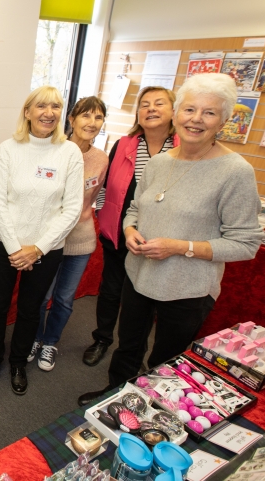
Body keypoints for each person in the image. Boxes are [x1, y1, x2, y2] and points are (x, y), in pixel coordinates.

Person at [78, 73, 263, 406]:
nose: (196, 119)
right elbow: (135, 208)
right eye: (189, 109)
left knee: (166, 357)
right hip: (139, 275)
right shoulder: (160, 162)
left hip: (188, 287)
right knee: (128, 345)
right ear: (177, 114)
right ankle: (115, 399)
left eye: (208, 113)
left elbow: (246, 243)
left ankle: (151, 412)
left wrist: (181, 247)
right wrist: (130, 230)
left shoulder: (236, 171)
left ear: (223, 120)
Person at [0, 86, 83, 396]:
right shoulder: (9, 148)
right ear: (28, 112)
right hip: (3, 245)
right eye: (41, 106)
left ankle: (17, 363)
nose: (48, 112)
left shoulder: (70, 152)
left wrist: (37, 249)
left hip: (46, 248)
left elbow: (72, 208)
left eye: (55, 106)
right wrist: (16, 249)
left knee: (30, 308)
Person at [82, 86, 180, 367]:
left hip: (158, 238)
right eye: (145, 104)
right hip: (118, 231)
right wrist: (102, 212)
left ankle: (136, 352)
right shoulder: (125, 143)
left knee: (142, 296)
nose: (151, 108)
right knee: (111, 290)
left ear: (173, 110)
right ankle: (102, 338)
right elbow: (107, 181)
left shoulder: (182, 148)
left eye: (159, 103)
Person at [28, 97, 109, 372]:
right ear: (71, 119)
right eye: (85, 116)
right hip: (49, 240)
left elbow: (92, 199)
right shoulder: (53, 150)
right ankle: (34, 338)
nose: (92, 123)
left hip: (81, 238)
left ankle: (50, 341)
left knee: (64, 298)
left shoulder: (101, 159)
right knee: (41, 295)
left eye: (98, 118)